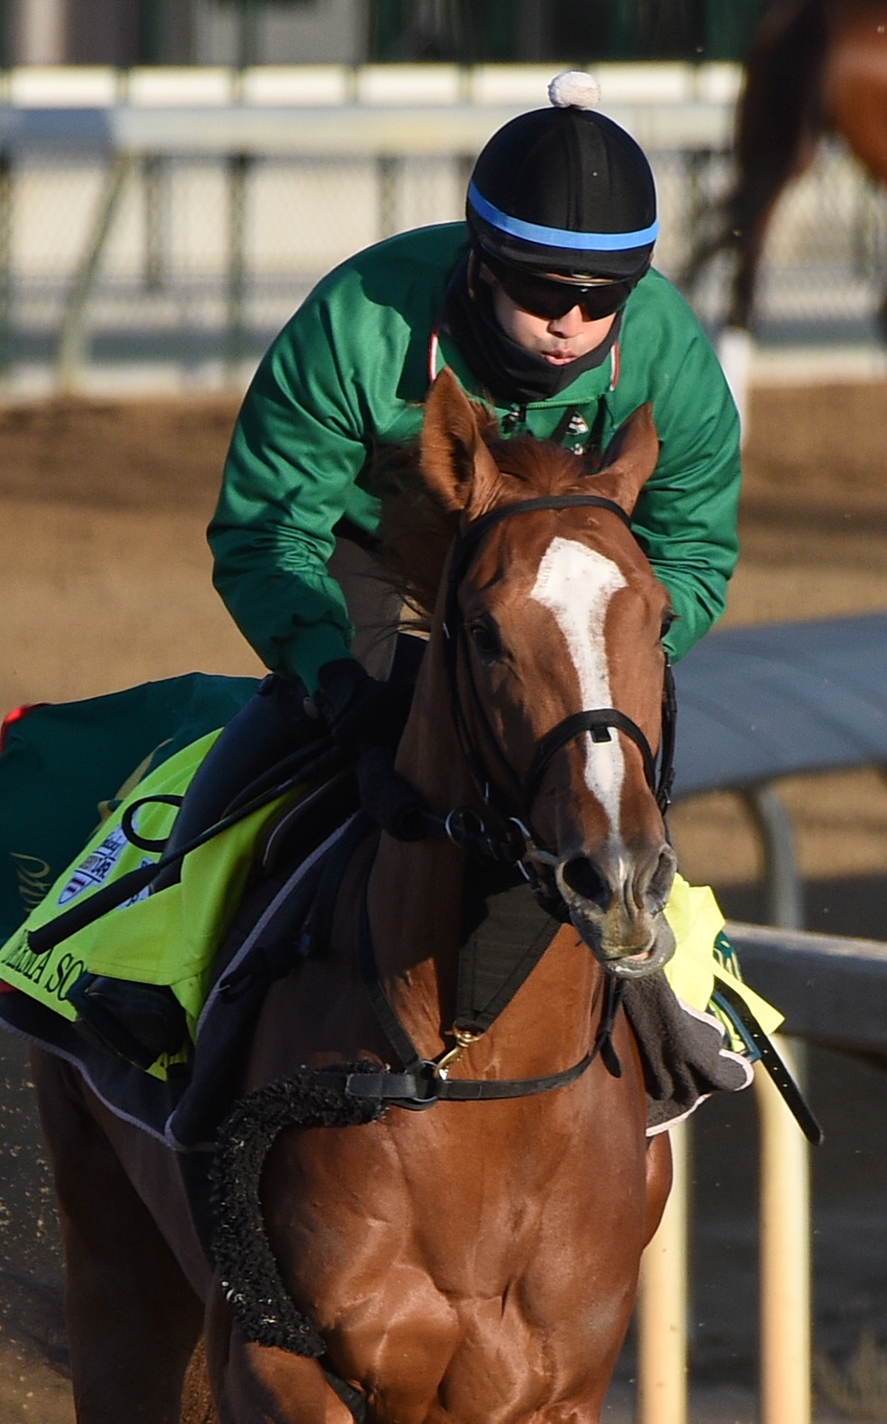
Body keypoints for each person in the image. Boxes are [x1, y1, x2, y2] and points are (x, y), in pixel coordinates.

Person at [171, 72, 741, 846]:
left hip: (571, 579)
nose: (570, 321)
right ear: (482, 266)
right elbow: (268, 535)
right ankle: (166, 897)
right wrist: (332, 677)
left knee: (618, 778)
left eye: (603, 298)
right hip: (366, 551)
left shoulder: (670, 354)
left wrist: (618, 651)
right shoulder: (354, 323)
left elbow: (691, 551)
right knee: (307, 727)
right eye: (541, 291)